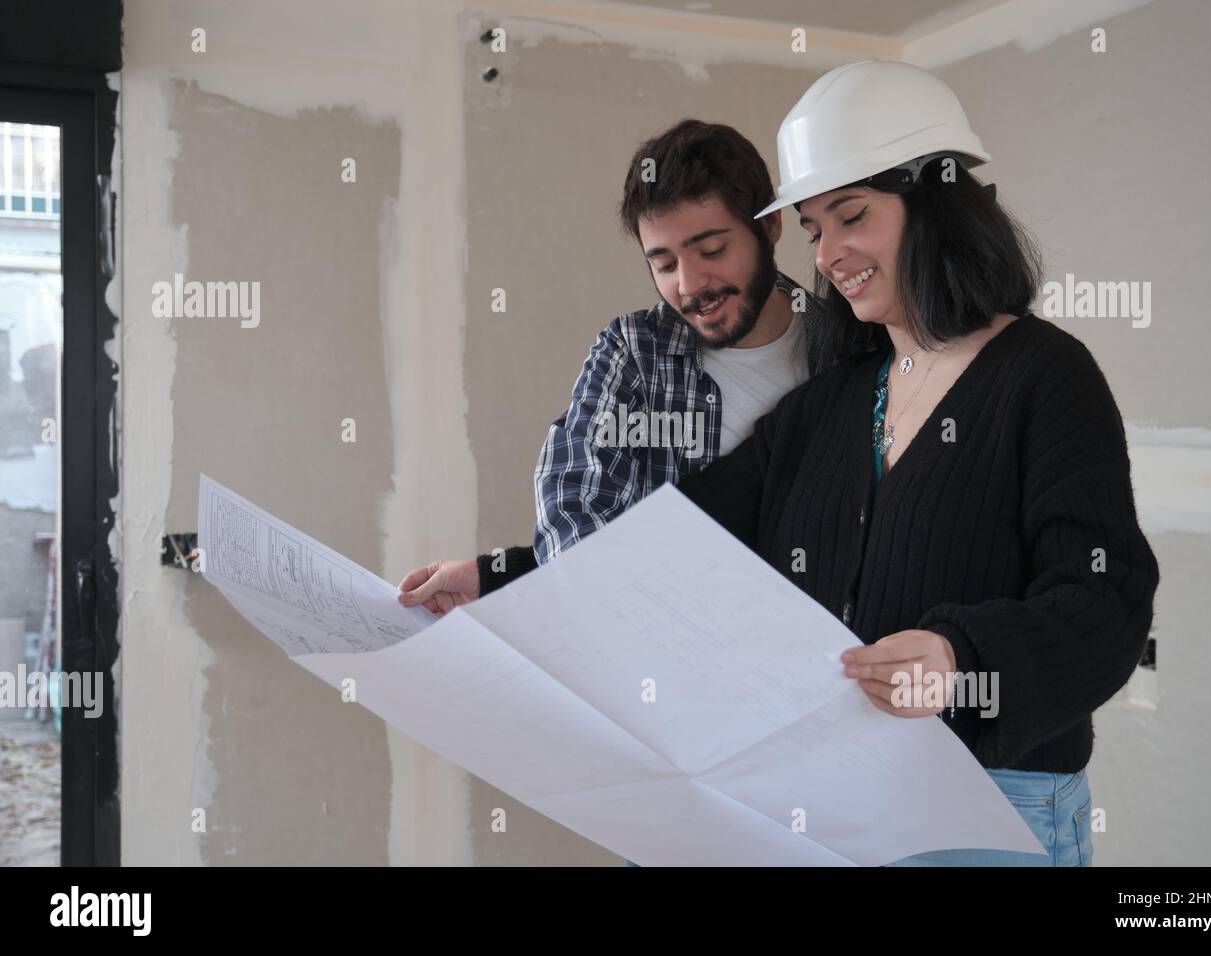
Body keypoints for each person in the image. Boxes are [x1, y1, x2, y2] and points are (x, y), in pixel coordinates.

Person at [666, 59, 1160, 865]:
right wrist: (499, 575)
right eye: (814, 229)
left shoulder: (1045, 375)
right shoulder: (831, 403)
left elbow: (1108, 603)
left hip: (989, 808)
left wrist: (963, 661)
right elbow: (680, 536)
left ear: (934, 204)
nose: (828, 254)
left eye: (851, 215)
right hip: (832, 802)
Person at [397, 119, 852, 611]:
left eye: (712, 250)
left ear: (769, 226)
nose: (690, 283)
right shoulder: (634, 354)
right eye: (664, 264)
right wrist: (502, 575)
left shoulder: (850, 348)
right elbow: (580, 526)